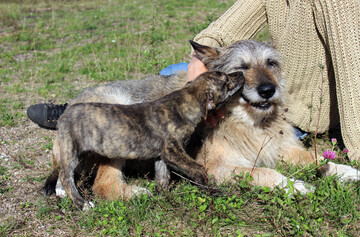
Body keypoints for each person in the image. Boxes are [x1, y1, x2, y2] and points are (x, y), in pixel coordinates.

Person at [27, 0, 360, 161]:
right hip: (248, 87)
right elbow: (218, 34)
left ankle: (85, 115)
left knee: (159, 96)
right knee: (171, 73)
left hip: (292, 105)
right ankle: (81, 109)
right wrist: (198, 90)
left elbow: (353, 68)